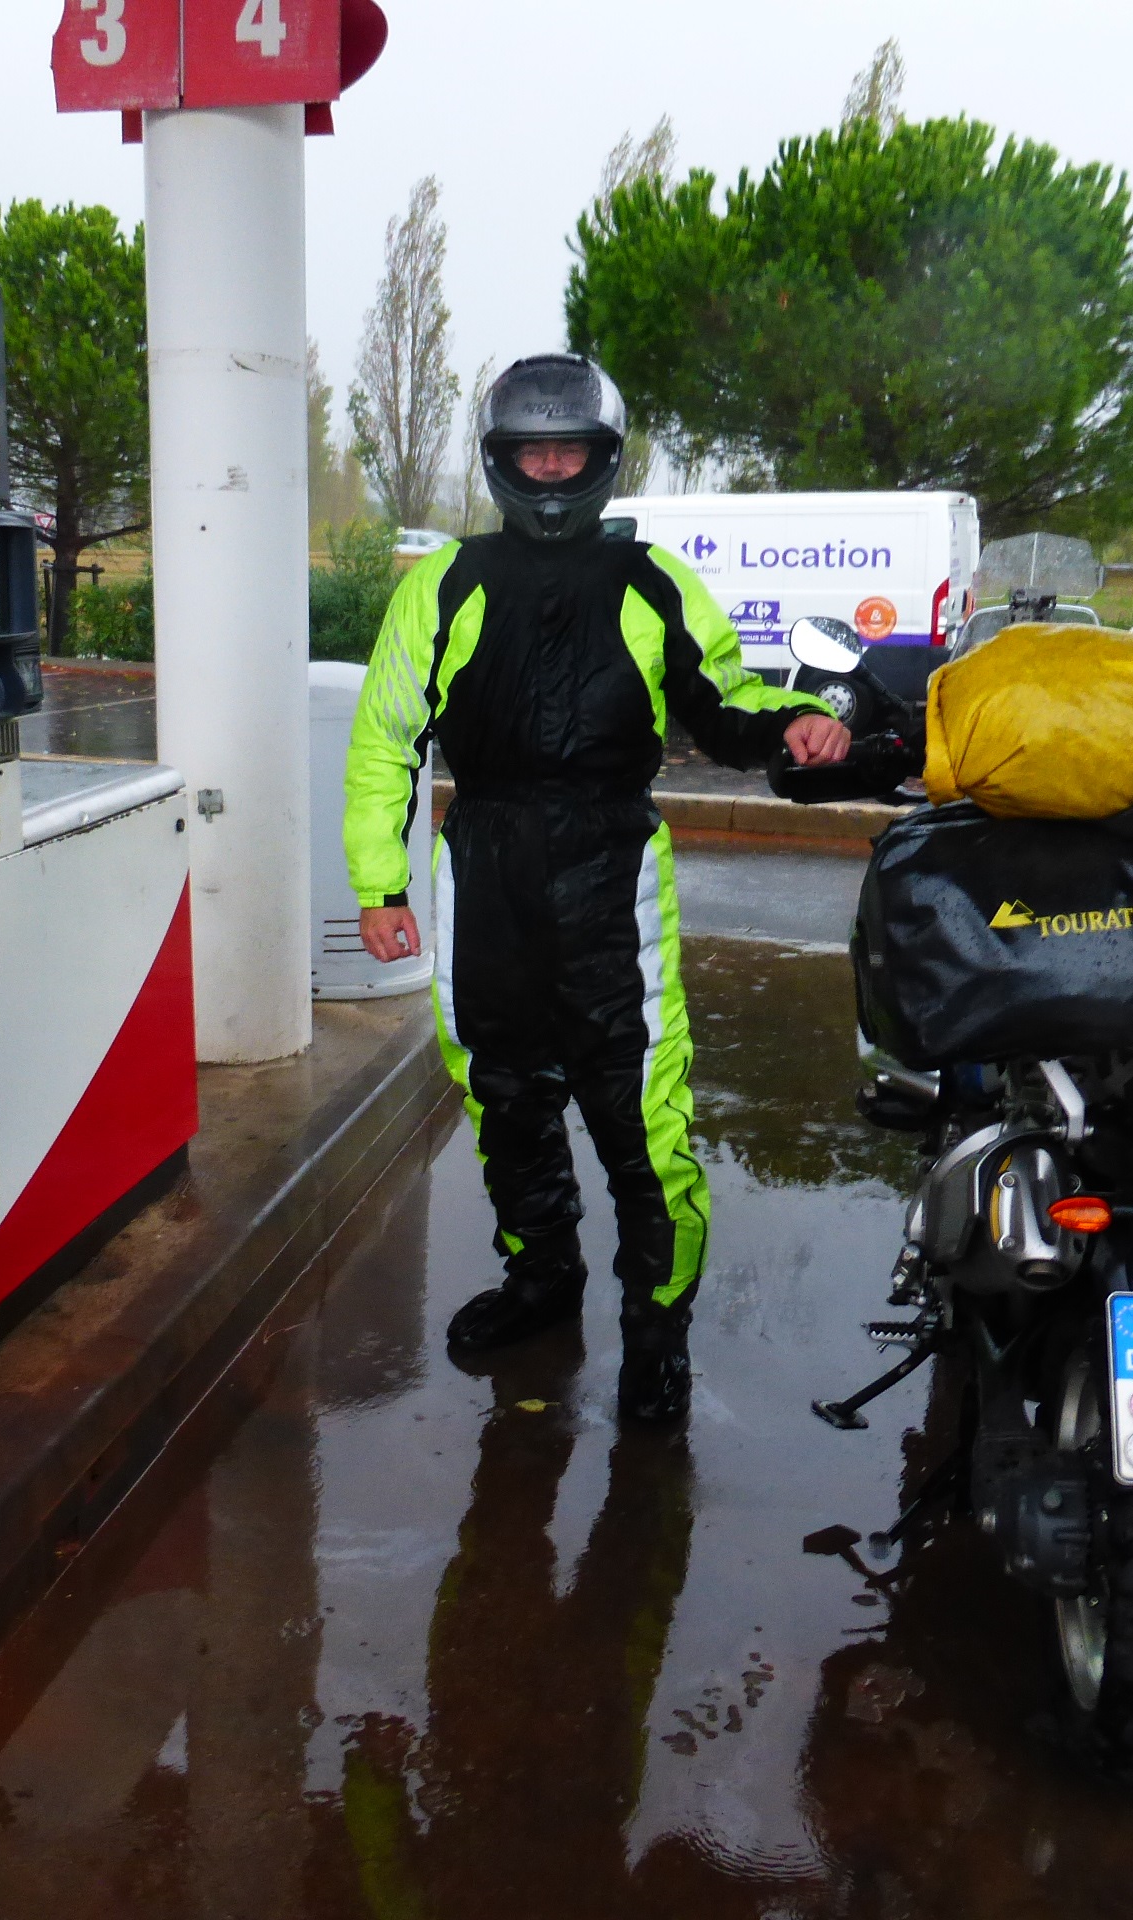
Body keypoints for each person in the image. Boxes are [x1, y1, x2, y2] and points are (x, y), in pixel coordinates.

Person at [341, 354, 852, 1423]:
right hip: (481, 869)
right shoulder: (444, 583)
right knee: (504, 1096)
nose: (549, 471)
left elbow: (725, 700)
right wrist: (380, 885)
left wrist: (792, 728)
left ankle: (656, 1333)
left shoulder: (651, 579)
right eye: (531, 452)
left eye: (567, 451)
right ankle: (541, 1277)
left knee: (641, 1119)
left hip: (610, 873)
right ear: (500, 461)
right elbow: (387, 740)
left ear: (601, 460)